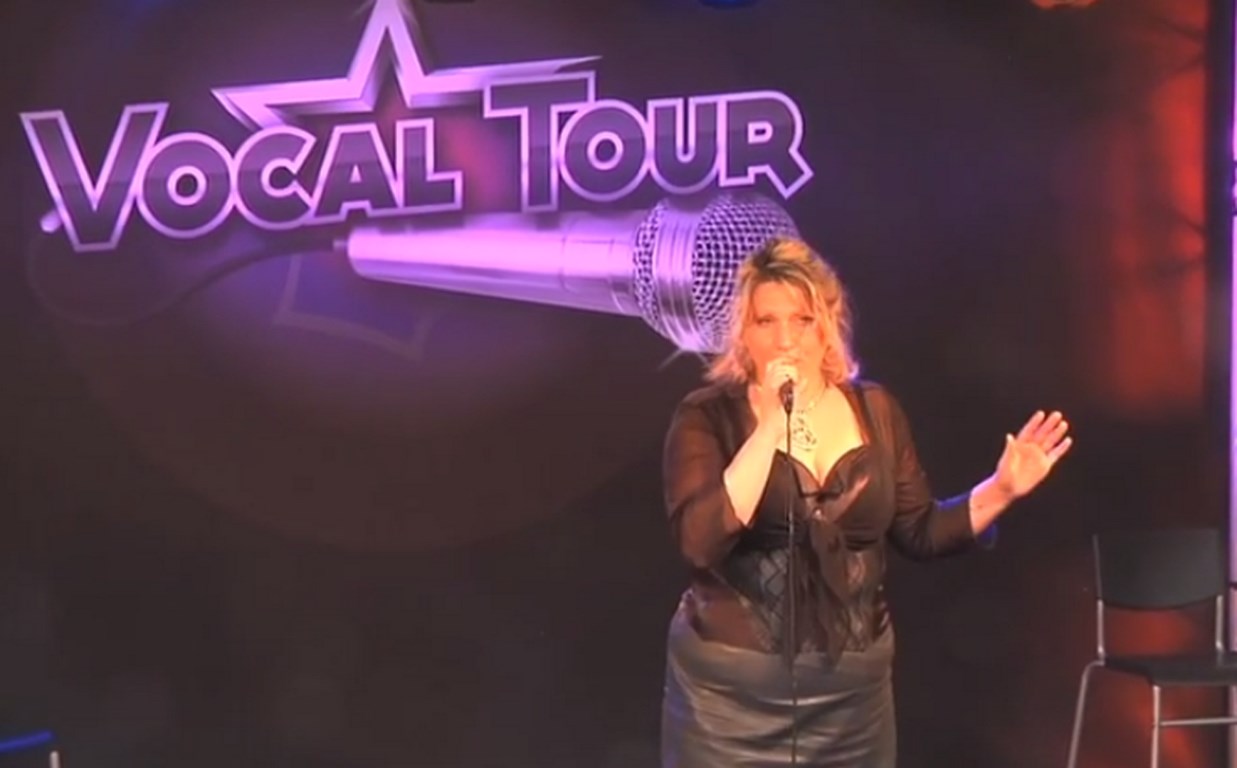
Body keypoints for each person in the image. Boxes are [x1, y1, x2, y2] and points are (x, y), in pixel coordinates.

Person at [658, 236, 1072, 768]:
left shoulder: (876, 410)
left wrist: (1001, 489)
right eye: (766, 321)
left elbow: (920, 532)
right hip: (729, 704)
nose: (785, 339)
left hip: (853, 702)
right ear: (743, 331)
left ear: (827, 324)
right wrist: (769, 431)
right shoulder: (706, 417)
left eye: (802, 320)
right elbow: (700, 541)